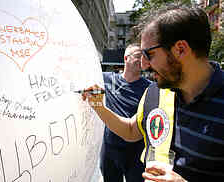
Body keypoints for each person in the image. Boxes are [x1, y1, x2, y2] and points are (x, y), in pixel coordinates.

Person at [82, 6, 224, 182]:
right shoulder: (155, 93)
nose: (143, 65)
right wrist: (98, 106)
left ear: (180, 49)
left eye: (149, 54)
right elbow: (131, 130)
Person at [100, 44, 151, 182]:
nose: (141, 60)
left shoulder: (149, 88)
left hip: (136, 151)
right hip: (110, 148)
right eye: (137, 56)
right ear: (125, 58)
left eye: (144, 57)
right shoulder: (106, 79)